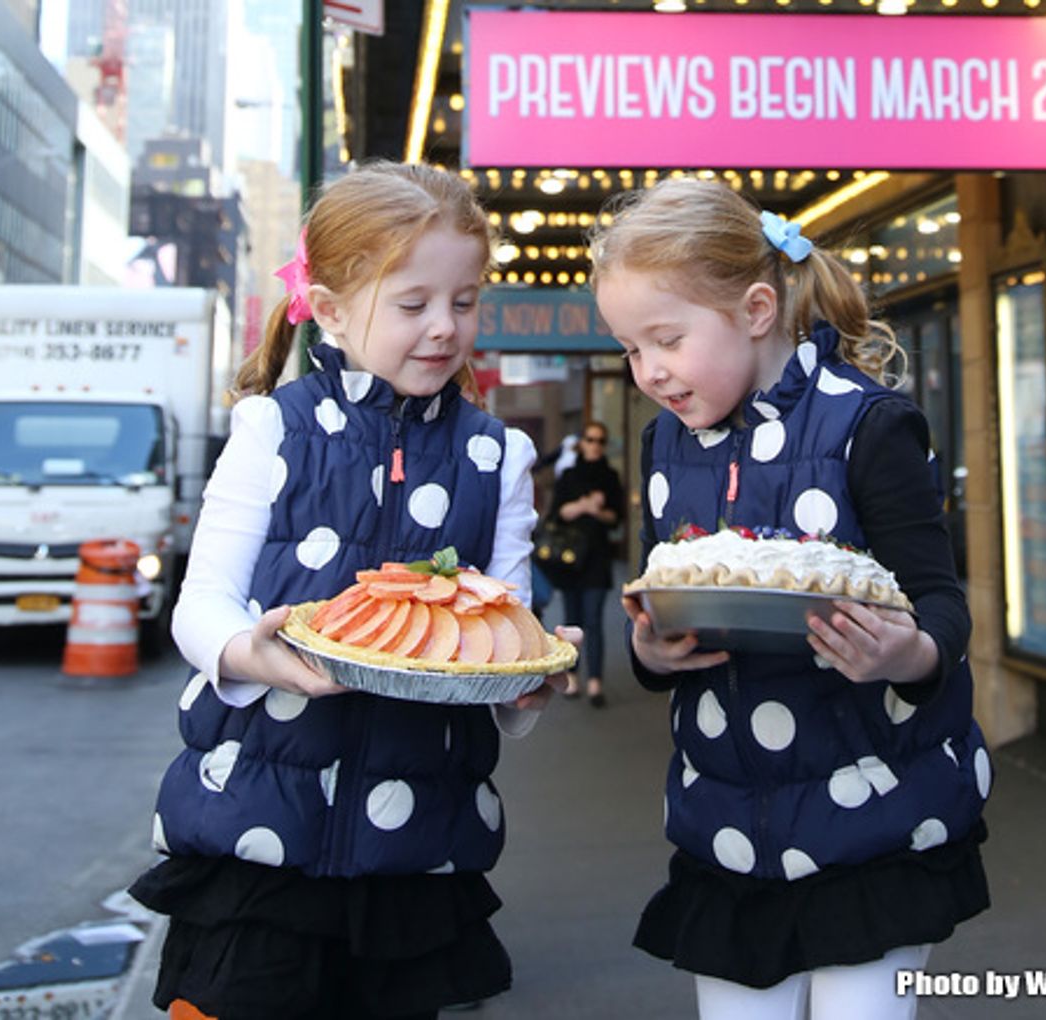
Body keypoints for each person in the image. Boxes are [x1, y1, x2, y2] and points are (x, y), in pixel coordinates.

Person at [128, 161, 570, 1020]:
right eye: (413, 305)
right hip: (252, 830)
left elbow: (503, 638)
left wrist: (531, 682)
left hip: (418, 848)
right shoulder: (272, 427)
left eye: (465, 301)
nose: (445, 329)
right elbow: (202, 602)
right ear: (328, 308)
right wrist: (248, 652)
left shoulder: (499, 456)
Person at [591, 178, 991, 1020]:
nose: (650, 371)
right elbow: (659, 593)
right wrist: (650, 651)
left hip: (876, 816)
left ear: (758, 308)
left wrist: (905, 653)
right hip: (726, 825)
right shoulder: (665, 441)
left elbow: (942, 606)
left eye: (667, 338)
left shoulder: (871, 426)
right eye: (631, 349)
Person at [548, 421, 624, 706]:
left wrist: (599, 511)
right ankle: (572, 676)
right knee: (572, 619)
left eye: (601, 440)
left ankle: (595, 682)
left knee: (593, 620)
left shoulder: (610, 477)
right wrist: (584, 506)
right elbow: (556, 514)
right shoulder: (568, 475)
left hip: (597, 557)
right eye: (591, 439)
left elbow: (617, 519)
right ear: (582, 442)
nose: (595, 445)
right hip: (569, 558)